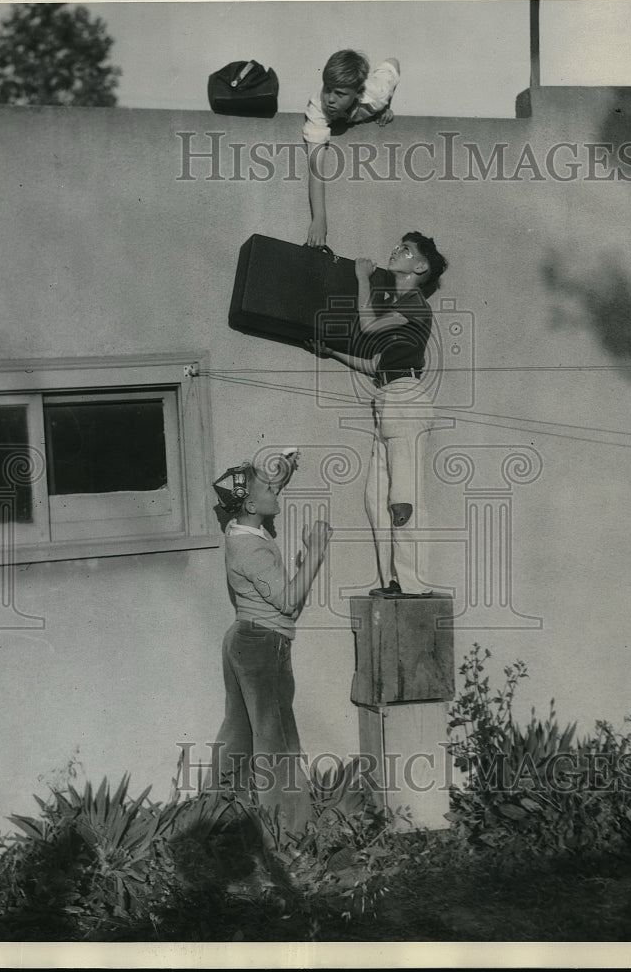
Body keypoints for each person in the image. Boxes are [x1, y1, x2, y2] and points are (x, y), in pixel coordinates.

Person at [307, 231, 448, 597]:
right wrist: (332, 353)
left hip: (406, 400)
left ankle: (414, 586)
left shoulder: (416, 304)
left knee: (403, 498)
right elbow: (375, 364)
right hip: (387, 398)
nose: (395, 250)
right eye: (397, 245)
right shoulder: (398, 309)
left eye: (406, 250)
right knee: (376, 498)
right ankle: (393, 582)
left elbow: (367, 326)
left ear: (420, 267)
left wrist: (361, 278)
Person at [212, 453, 332, 835]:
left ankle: (216, 813)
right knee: (277, 740)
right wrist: (315, 552)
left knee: (240, 733)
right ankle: (291, 831)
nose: (277, 489)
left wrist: (284, 463)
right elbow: (289, 602)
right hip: (263, 646)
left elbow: (266, 479)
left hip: (247, 639)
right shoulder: (251, 549)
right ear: (249, 502)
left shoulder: (243, 529)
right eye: (269, 487)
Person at [303, 50, 400, 248]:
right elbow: (315, 166)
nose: (330, 99)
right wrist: (319, 219)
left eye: (340, 94)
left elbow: (392, 61)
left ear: (357, 91)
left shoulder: (377, 92)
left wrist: (386, 107)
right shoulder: (317, 106)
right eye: (327, 89)